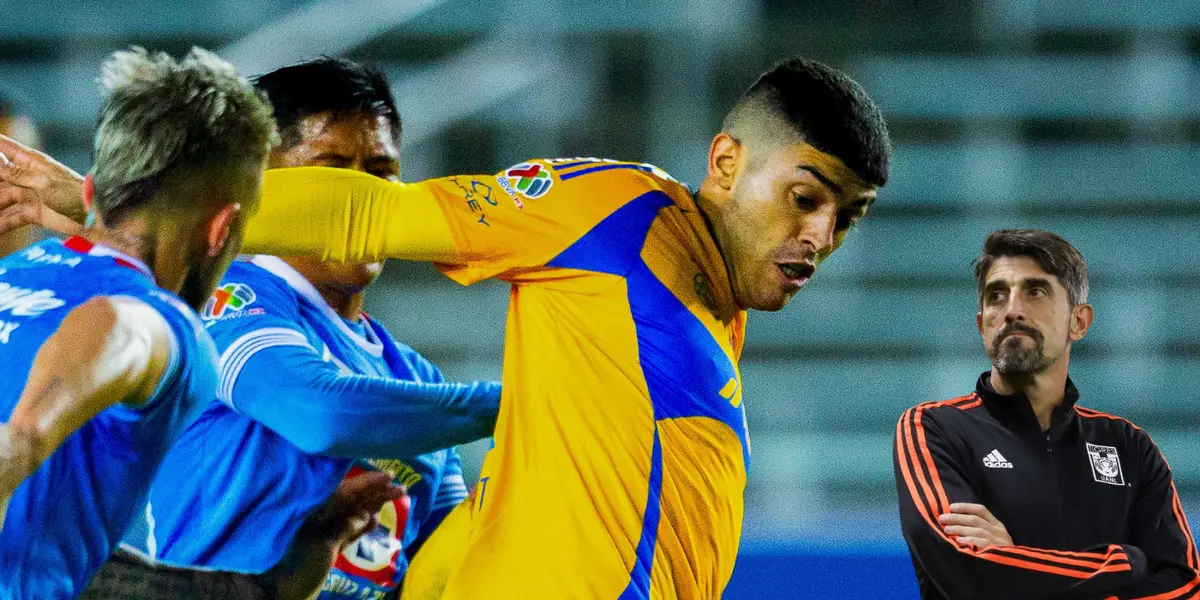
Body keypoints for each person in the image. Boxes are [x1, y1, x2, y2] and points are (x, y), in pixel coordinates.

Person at [1, 56, 892, 598]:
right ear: (729, 163)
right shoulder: (610, 211)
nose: (818, 235)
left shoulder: (411, 371)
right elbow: (328, 386)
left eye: (845, 218)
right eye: (805, 198)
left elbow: (438, 547)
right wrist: (106, 201)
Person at [0, 47, 403, 599]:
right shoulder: (156, 322)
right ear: (224, 231)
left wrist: (267, 590)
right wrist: (508, 402)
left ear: (91, 192)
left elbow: (57, 563)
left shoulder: (20, 279)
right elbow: (21, 442)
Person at [127, 57, 497, 600]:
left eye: (380, 173)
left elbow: (446, 570)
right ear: (259, 183)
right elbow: (322, 414)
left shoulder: (415, 375)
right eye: (331, 172)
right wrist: (518, 402)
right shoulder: (223, 302)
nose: (361, 199)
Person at [893, 229, 1199, 600]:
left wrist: (1013, 556)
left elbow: (1184, 585)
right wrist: (1121, 564)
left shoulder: (1129, 446)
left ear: (1079, 322)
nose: (1012, 310)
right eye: (996, 295)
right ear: (981, 325)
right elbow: (968, 569)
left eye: (1035, 291)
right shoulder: (934, 428)